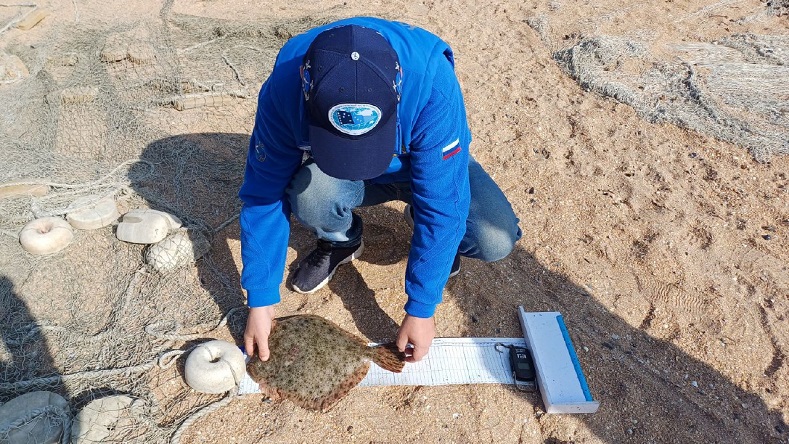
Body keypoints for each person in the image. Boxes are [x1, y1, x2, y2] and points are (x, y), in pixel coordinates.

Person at [239, 17, 521, 363]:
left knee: (494, 239)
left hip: (426, 166)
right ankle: (341, 240)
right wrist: (261, 299)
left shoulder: (432, 83)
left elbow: (445, 205)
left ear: (398, 88)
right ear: (306, 87)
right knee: (310, 194)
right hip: (338, 175)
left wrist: (421, 307)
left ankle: (425, 231)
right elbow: (262, 195)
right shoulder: (283, 90)